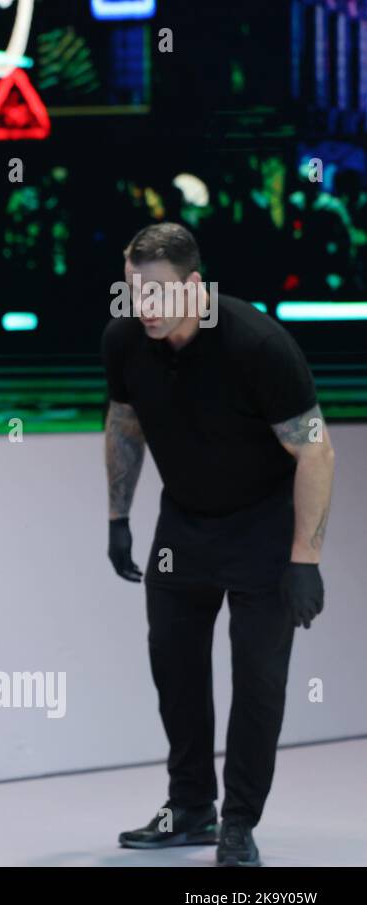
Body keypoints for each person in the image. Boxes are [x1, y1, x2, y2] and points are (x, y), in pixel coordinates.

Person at [102, 223, 335, 867]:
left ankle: (238, 822)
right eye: (132, 293)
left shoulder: (258, 344)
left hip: (264, 525)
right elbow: (124, 423)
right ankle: (190, 808)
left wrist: (304, 560)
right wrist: (119, 516)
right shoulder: (125, 339)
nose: (142, 308)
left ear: (195, 287)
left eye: (156, 294)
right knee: (174, 669)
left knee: (257, 681)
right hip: (184, 523)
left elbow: (315, 448)